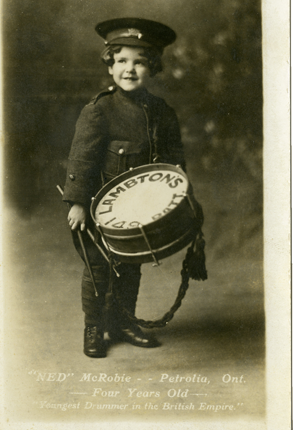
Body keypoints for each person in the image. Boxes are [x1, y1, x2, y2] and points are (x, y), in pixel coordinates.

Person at [63, 18, 202, 358]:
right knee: (98, 268)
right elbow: (81, 160)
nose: (130, 69)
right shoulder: (99, 111)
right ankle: (94, 327)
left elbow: (173, 162)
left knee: (130, 266)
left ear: (152, 67)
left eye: (140, 61)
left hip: (139, 212)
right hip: (97, 210)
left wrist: (180, 196)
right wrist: (77, 203)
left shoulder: (161, 112)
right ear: (110, 64)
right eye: (122, 60)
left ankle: (122, 321)